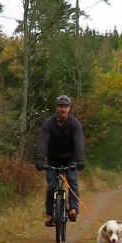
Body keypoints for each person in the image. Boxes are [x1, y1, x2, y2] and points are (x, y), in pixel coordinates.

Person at [34, 95, 85, 227]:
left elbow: (79, 143)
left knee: (72, 183)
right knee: (51, 186)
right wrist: (40, 159)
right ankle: (51, 214)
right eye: (60, 106)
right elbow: (42, 141)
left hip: (70, 160)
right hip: (53, 160)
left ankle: (73, 210)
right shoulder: (49, 124)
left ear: (69, 108)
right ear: (57, 108)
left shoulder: (75, 124)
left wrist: (79, 160)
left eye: (65, 106)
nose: (62, 109)